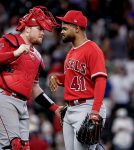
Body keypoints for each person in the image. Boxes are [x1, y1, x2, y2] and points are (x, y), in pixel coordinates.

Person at [0, 6, 62, 150]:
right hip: (3, 98)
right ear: (27, 29)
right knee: (15, 147)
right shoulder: (10, 40)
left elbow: (35, 88)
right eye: (39, 29)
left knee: (24, 148)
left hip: (22, 105)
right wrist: (14, 53)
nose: (42, 33)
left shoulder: (37, 57)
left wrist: (55, 108)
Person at [49, 10, 107, 150]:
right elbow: (73, 78)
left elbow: (100, 80)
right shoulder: (71, 52)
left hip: (87, 107)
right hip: (70, 109)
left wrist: (95, 111)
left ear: (76, 28)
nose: (61, 31)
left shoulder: (92, 49)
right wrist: (57, 78)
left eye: (65, 27)